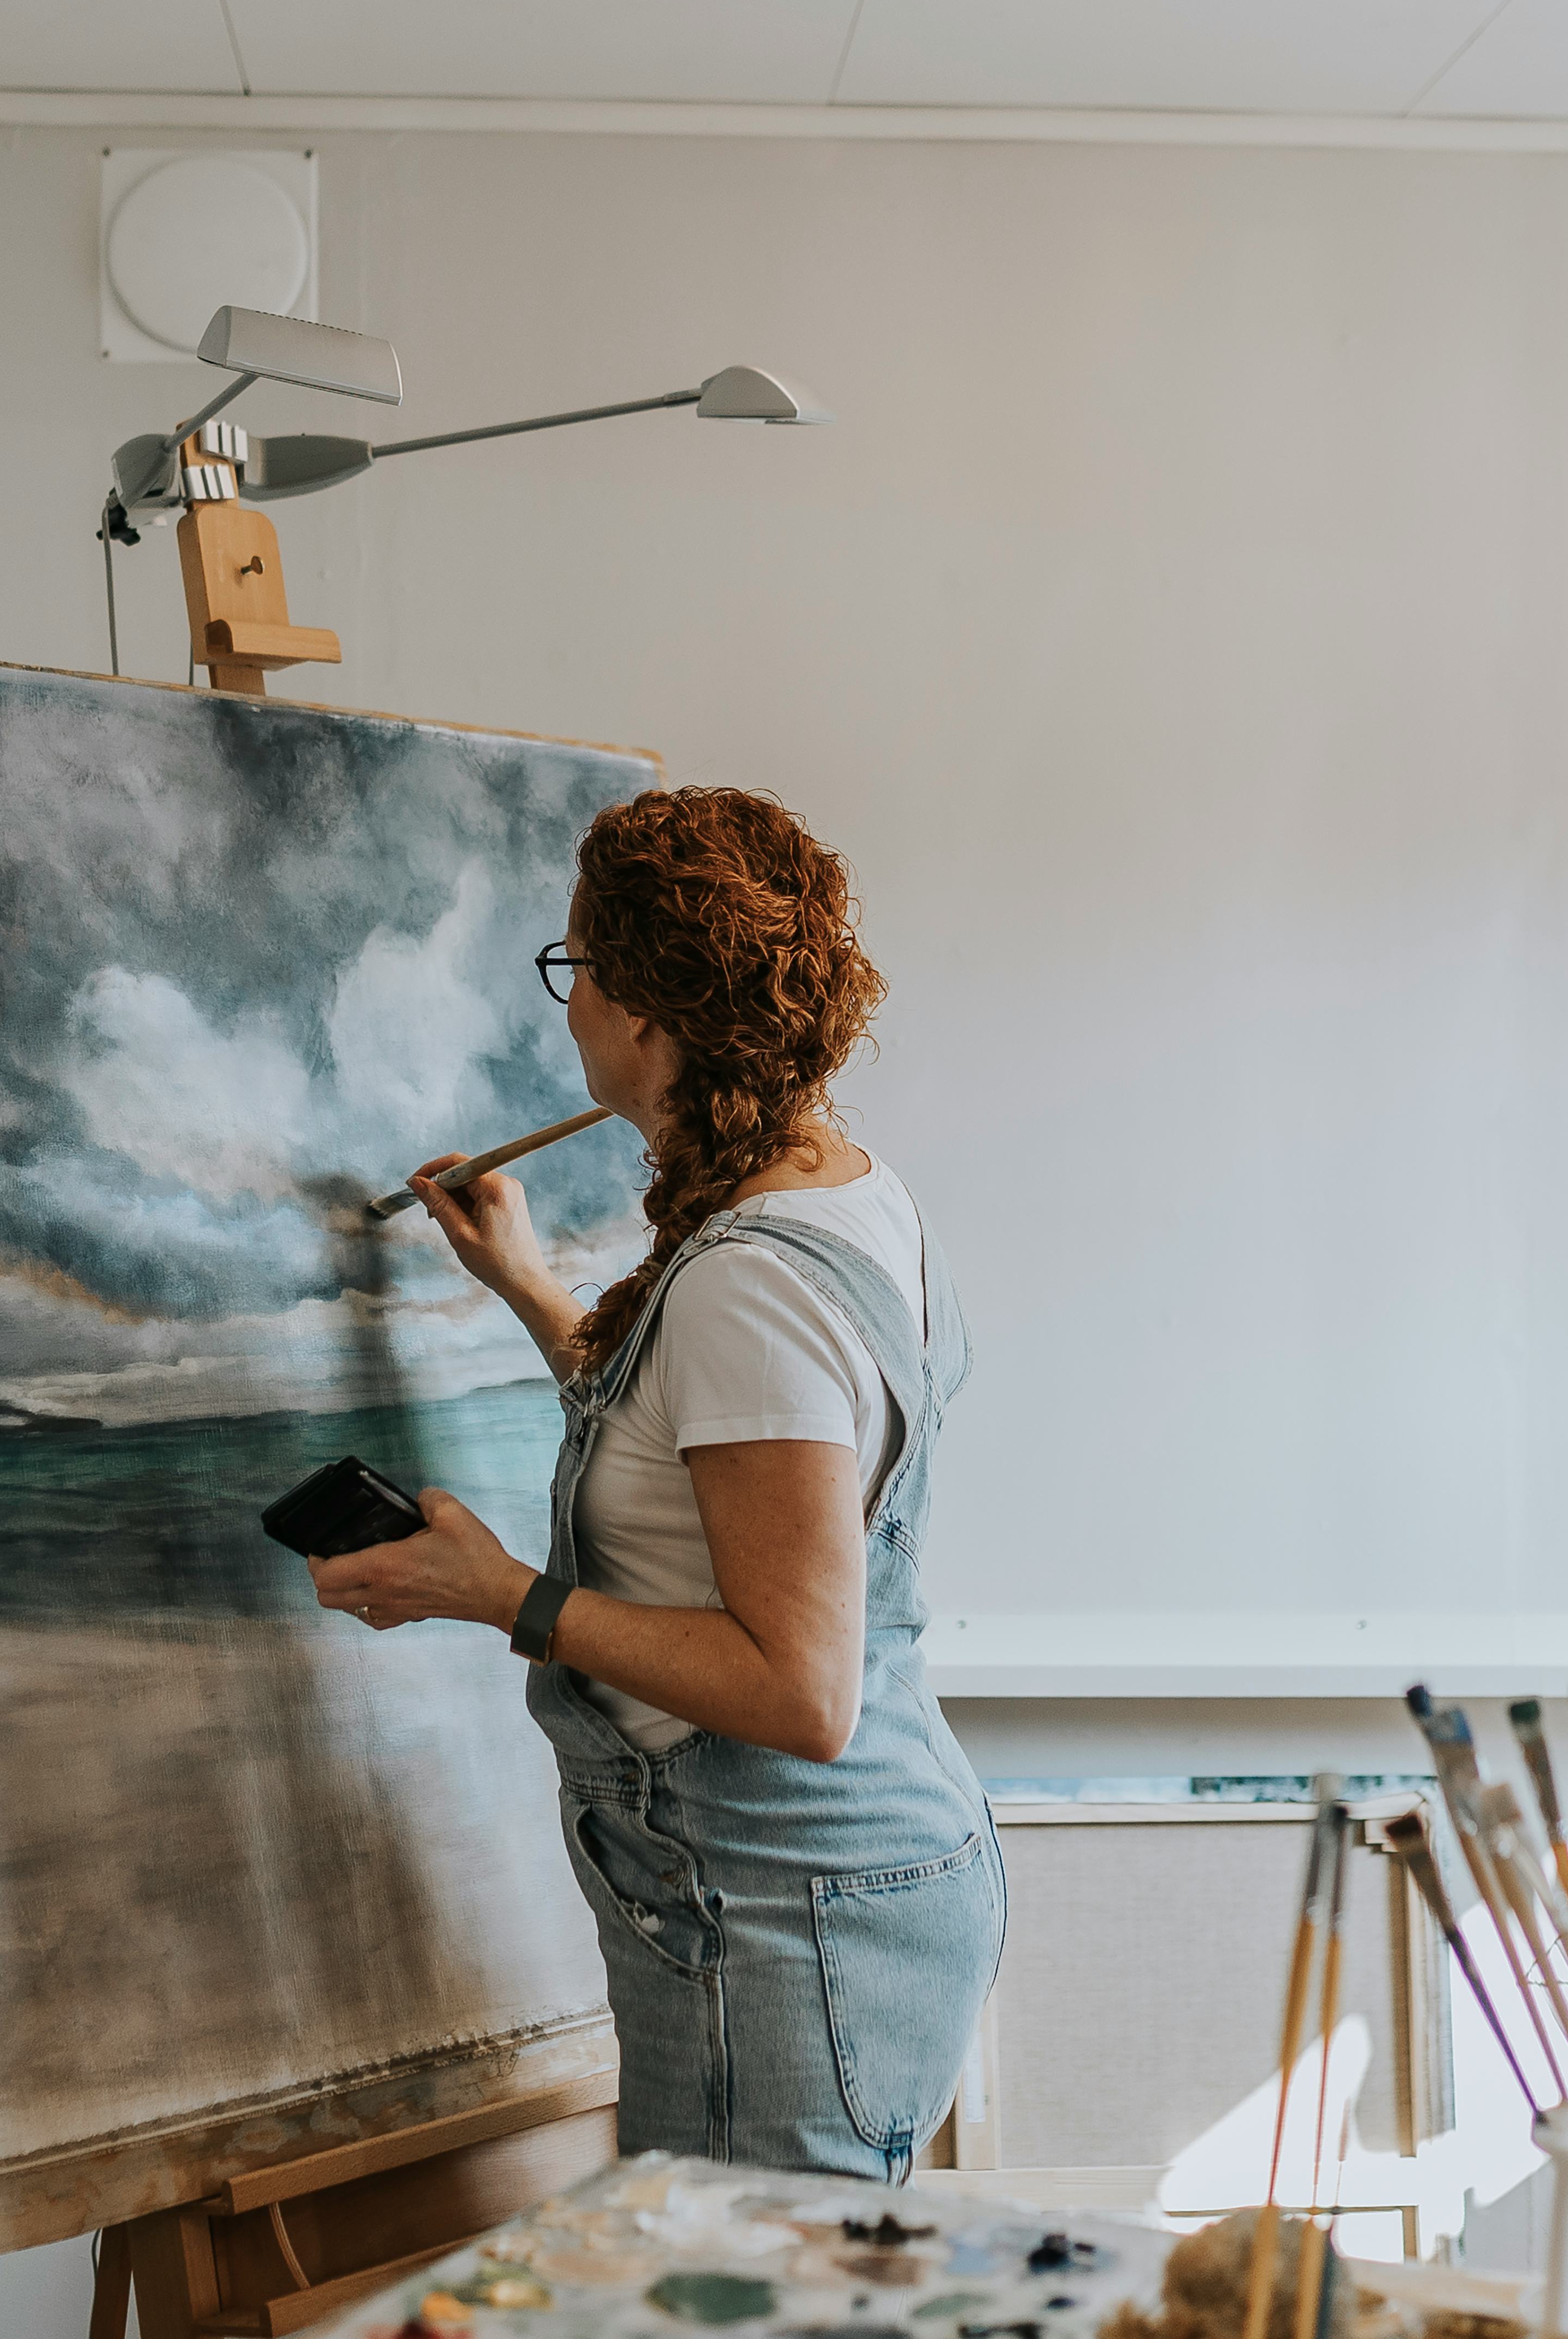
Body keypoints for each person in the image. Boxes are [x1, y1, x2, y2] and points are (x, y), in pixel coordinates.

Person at [309, 785, 1000, 2177]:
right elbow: (708, 1467)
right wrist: (529, 1288)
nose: (563, 1007)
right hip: (850, 1891)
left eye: (574, 967)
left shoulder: (747, 1282)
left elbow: (797, 1691)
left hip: (784, 1925)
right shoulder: (837, 1185)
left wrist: (502, 1593)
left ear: (641, 1010)